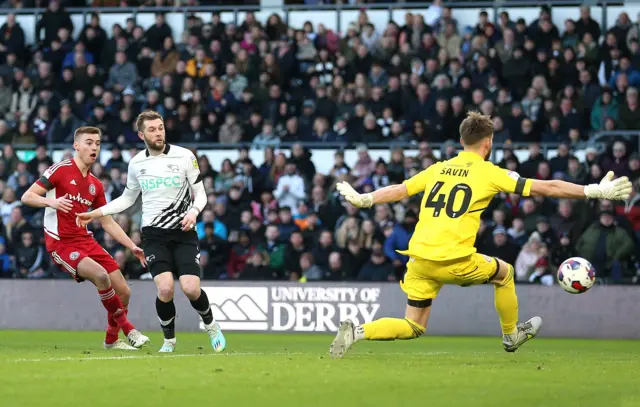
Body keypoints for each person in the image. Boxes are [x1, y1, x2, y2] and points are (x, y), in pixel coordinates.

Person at [330, 112, 632, 358]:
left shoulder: (438, 168)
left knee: (413, 325)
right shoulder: (490, 172)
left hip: (419, 258)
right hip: (454, 259)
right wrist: (592, 190)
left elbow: (399, 190)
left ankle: (358, 331)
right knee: (505, 273)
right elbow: (547, 187)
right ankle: (511, 335)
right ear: (488, 142)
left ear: (462, 141)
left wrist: (365, 198)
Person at [76, 111, 226, 353]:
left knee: (190, 288)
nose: (159, 133)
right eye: (153, 129)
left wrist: (194, 212)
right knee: (165, 289)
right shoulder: (136, 163)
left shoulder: (185, 156)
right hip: (154, 235)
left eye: (161, 127)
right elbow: (127, 199)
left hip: (183, 231)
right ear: (141, 134)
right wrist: (96, 213)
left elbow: (201, 193)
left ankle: (210, 324)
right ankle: (169, 340)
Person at [20, 126, 150, 351]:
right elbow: (27, 196)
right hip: (61, 243)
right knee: (101, 276)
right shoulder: (60, 170)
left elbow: (107, 222)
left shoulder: (95, 185)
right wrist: (52, 202)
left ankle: (111, 340)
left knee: (124, 291)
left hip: (86, 241)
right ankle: (129, 330)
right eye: (89, 142)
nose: (94, 147)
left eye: (97, 143)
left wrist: (132, 246)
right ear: (76, 146)